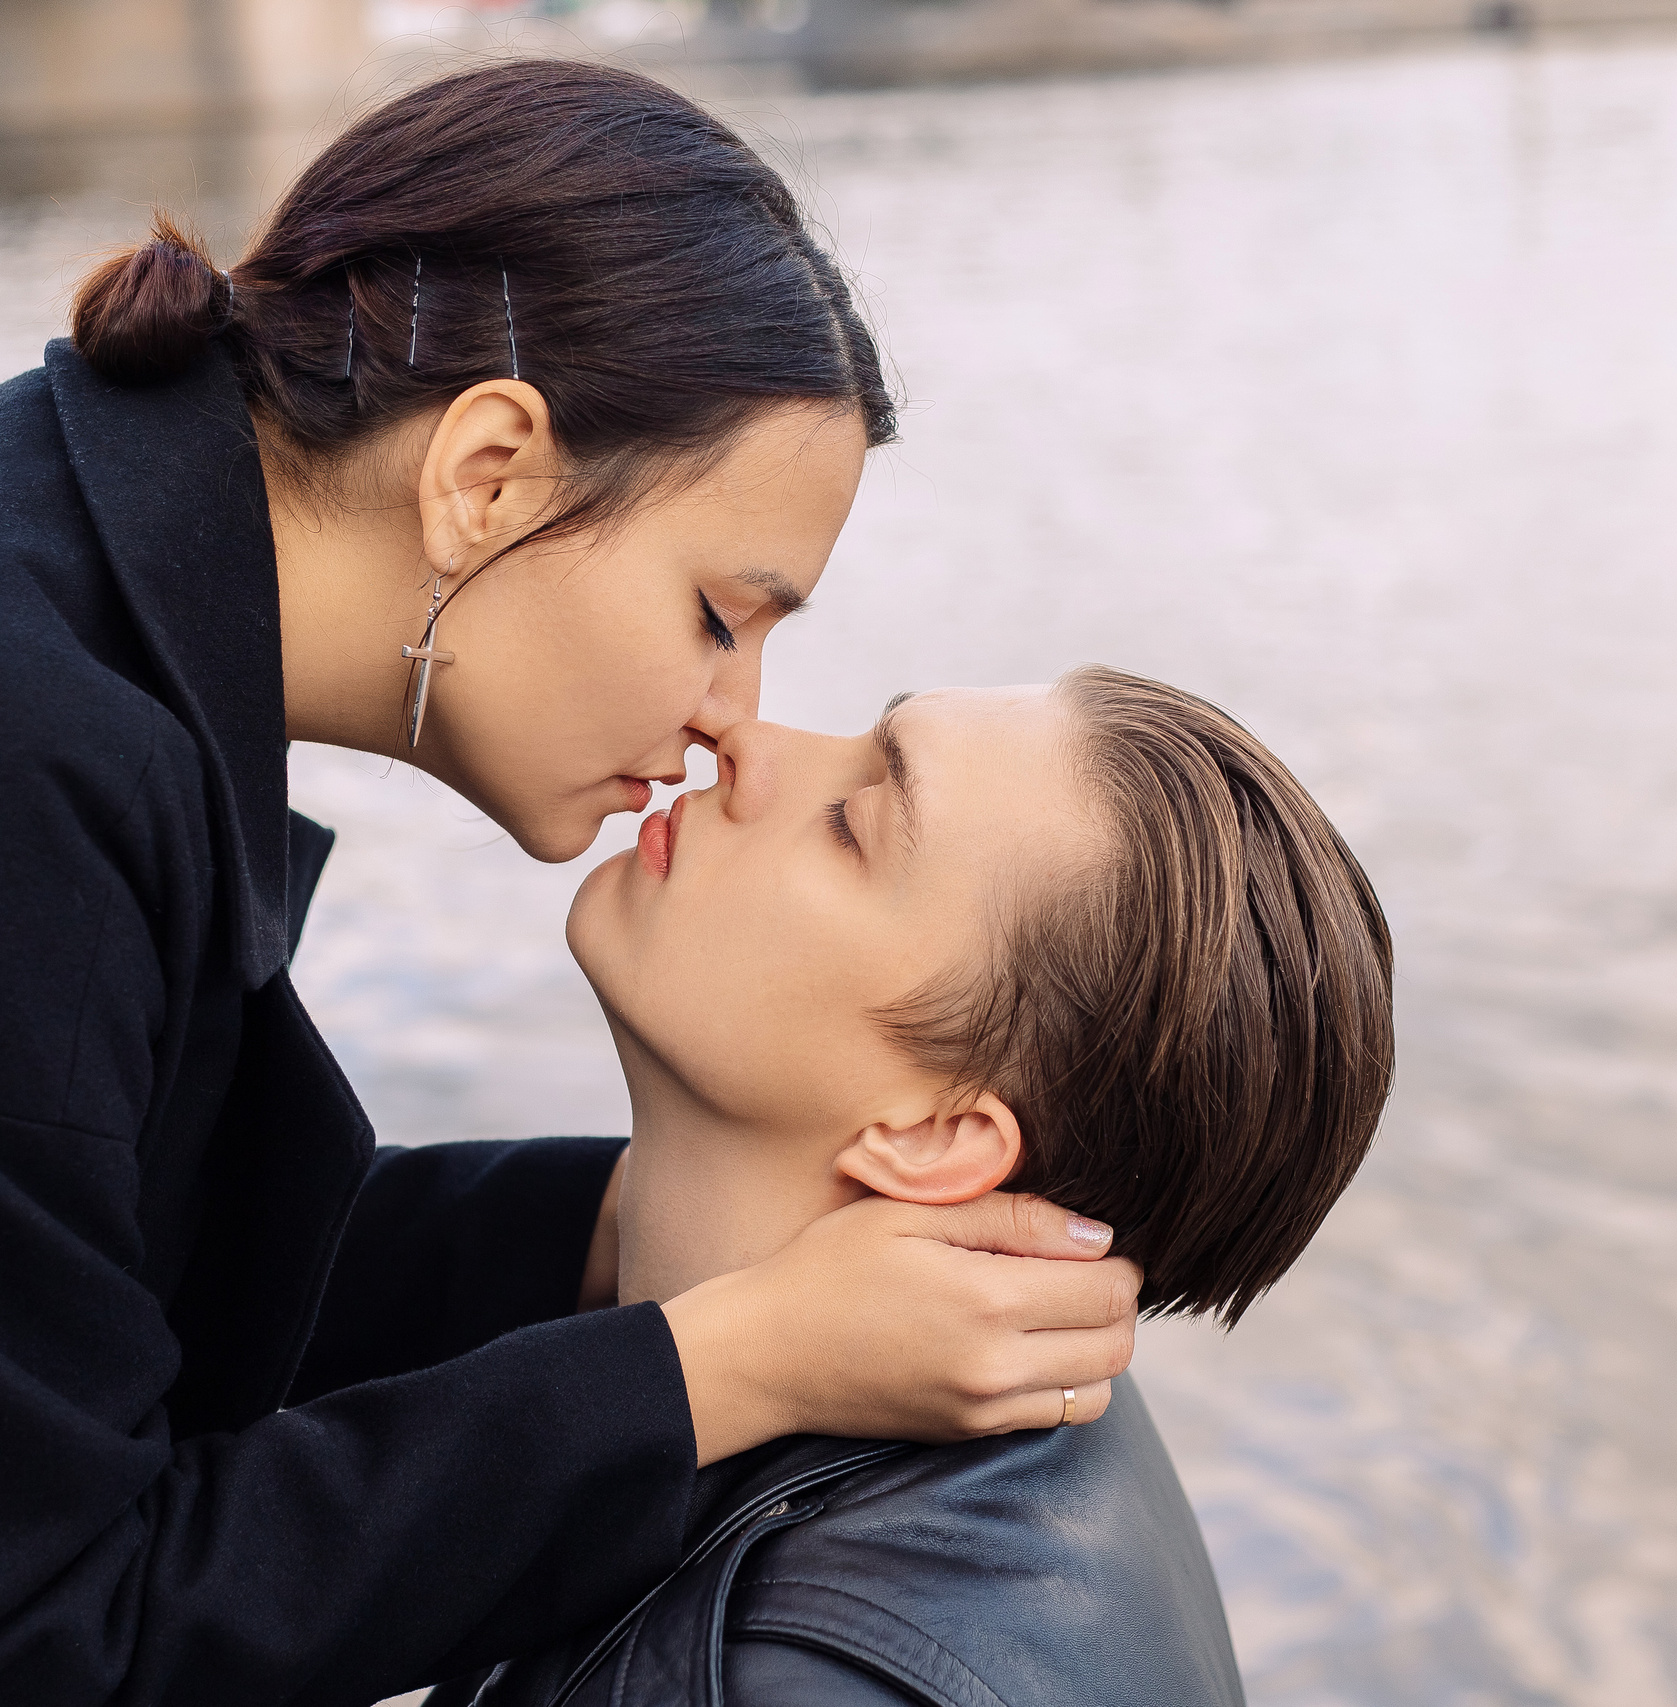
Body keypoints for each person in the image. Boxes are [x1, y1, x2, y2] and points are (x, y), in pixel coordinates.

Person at [0, 63, 1144, 1707]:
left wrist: (651, 1234)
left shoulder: (29, 596)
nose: (737, 719)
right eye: (724, 612)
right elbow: (69, 1641)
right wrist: (741, 1359)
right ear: (488, 470)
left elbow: (122, 1277)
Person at [430, 668, 1396, 1705]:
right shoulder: (1017, 1394)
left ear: (934, 1135)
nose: (746, 740)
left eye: (850, 822)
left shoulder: (799, 1681)